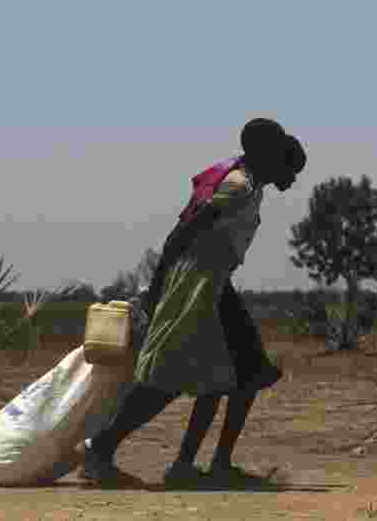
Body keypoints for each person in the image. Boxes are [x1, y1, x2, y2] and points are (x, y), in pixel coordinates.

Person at [82, 118, 306, 486]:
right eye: (288, 167)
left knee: (243, 372)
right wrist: (158, 288)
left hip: (215, 283)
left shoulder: (250, 184)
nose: (292, 179)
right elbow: (183, 231)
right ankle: (101, 450)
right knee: (167, 379)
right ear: (267, 156)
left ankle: (199, 465)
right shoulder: (237, 186)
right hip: (195, 284)